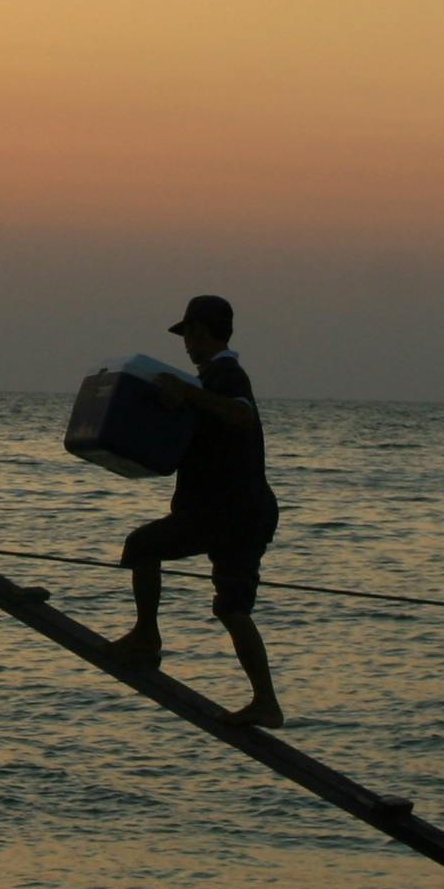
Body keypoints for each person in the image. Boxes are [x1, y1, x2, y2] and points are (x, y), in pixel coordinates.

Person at [109, 294, 285, 726]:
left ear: (201, 332)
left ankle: (146, 639)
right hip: (248, 512)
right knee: (232, 608)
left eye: (187, 334)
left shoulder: (225, 374)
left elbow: (241, 415)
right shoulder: (210, 382)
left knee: (141, 546)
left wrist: (187, 393)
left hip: (224, 514)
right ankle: (266, 702)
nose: (185, 344)